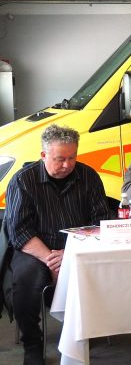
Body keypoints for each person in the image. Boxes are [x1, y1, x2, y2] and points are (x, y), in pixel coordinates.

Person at [4, 124, 110, 365]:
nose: (67, 165)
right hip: (35, 248)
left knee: (104, 270)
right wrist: (51, 259)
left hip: (79, 245)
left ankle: (85, 331)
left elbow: (101, 221)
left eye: (72, 157)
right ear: (44, 155)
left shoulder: (88, 176)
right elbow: (19, 231)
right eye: (60, 159)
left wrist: (70, 253)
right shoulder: (23, 180)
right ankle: (32, 343)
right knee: (26, 279)